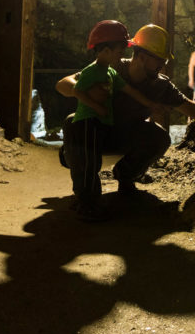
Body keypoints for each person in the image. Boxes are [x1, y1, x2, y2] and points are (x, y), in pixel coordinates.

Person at [56, 23, 195, 214]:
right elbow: (64, 84)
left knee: (158, 137)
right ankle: (87, 199)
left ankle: (126, 178)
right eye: (159, 59)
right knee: (75, 122)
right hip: (91, 138)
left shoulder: (160, 86)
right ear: (141, 56)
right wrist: (83, 91)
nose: (163, 65)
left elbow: (191, 108)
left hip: (122, 136)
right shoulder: (112, 69)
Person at [64, 20, 162, 221]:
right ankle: (88, 201)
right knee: (89, 163)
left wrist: (151, 104)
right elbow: (76, 90)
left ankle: (93, 196)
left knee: (93, 161)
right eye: (120, 50)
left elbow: (129, 90)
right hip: (87, 122)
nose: (123, 55)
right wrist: (96, 105)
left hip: (101, 125)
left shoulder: (111, 72)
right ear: (106, 50)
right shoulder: (91, 71)